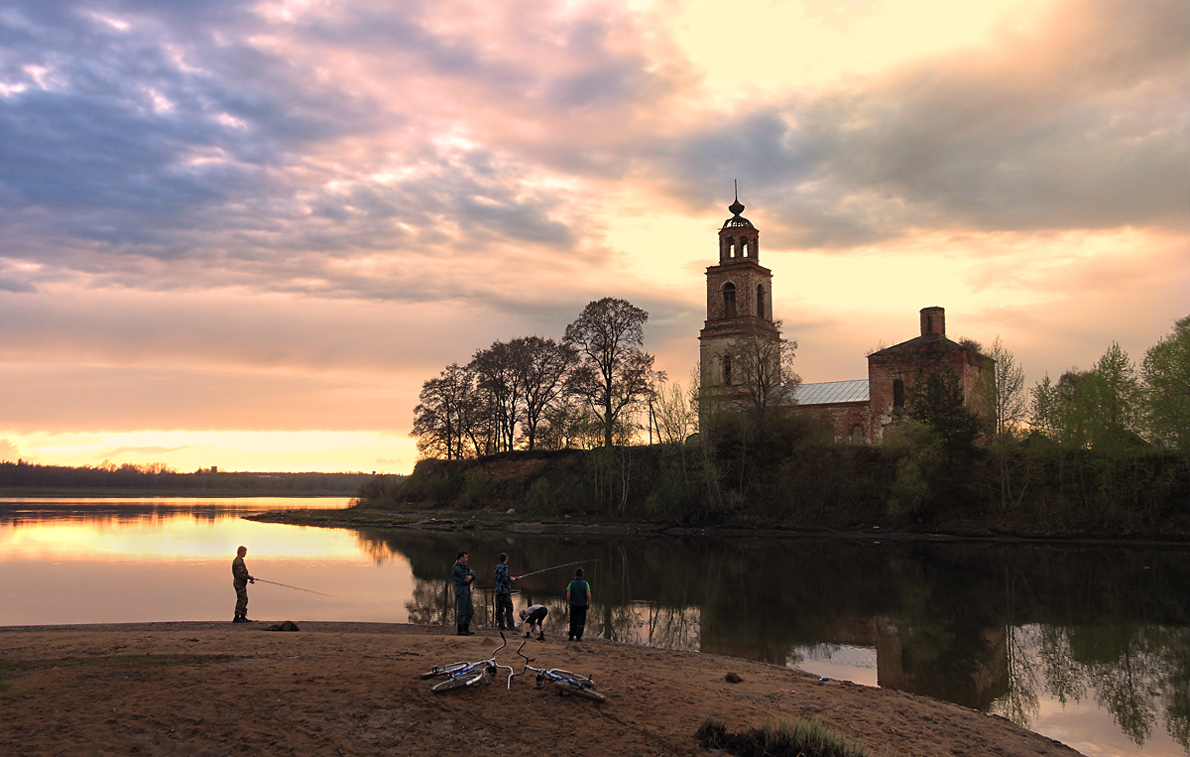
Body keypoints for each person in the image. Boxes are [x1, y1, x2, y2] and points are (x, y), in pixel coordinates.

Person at [452, 550, 476, 636]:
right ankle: (460, 629)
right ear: (461, 558)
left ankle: (466, 628)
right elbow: (465, 579)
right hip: (461, 589)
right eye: (465, 557)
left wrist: (471, 576)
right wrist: (469, 576)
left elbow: (473, 573)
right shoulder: (457, 568)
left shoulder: (465, 566)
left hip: (466, 590)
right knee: (462, 610)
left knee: (470, 610)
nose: (467, 559)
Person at [494, 552, 517, 631]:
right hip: (504, 591)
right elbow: (505, 579)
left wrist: (510, 578)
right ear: (506, 559)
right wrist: (512, 579)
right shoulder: (505, 567)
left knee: (499, 608)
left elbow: (500, 577)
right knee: (509, 607)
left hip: (498, 590)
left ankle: (501, 625)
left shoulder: (497, 567)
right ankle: (510, 625)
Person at [231, 545, 255, 623]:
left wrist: (248, 578)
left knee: (244, 599)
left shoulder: (239, 560)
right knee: (241, 599)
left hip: (240, 583)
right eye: (245, 552)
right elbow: (240, 574)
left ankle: (243, 616)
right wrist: (249, 577)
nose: (246, 554)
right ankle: (237, 617)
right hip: (239, 583)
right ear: (241, 552)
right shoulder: (238, 561)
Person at [566, 567, 591, 642]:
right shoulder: (585, 583)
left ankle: (571, 635)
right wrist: (589, 603)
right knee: (581, 620)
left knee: (573, 619)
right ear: (582, 575)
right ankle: (578, 636)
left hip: (574, 604)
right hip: (582, 605)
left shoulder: (571, 583)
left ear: (575, 574)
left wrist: (569, 602)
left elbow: (568, 595)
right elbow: (588, 595)